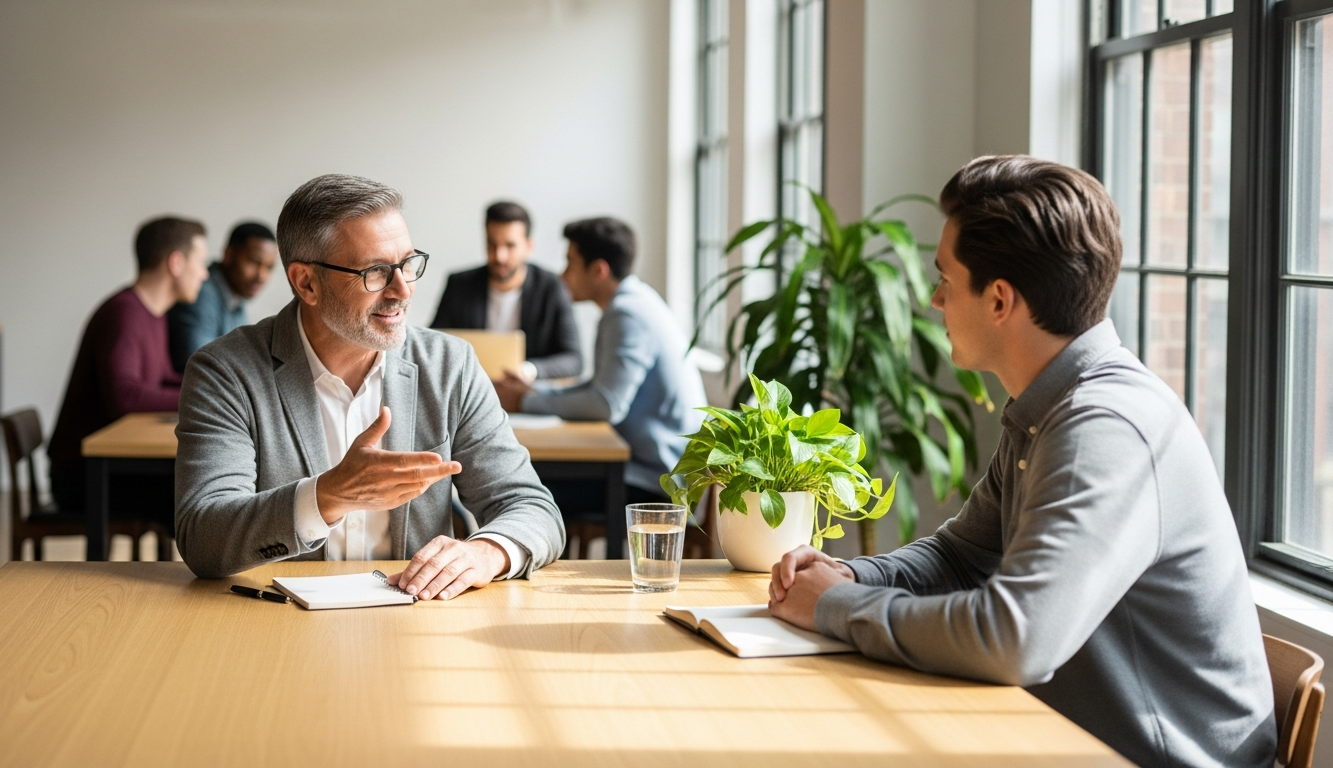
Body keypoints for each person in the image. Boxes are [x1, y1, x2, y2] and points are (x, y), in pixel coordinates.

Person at [766, 156, 1275, 767]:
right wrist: (852, 578)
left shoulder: (1105, 427)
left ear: (1000, 300)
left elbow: (1016, 640)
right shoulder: (1050, 405)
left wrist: (832, 606)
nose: (933, 299)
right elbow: (961, 555)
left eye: (946, 281)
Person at [174, 174, 564, 601]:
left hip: (415, 623)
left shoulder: (450, 366)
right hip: (276, 627)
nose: (402, 290)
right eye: (376, 272)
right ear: (306, 283)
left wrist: (487, 553)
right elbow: (203, 537)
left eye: (408, 263)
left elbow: (532, 508)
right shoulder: (226, 371)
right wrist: (327, 496)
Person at [494, 217, 707, 508]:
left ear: (598, 270)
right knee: (527, 479)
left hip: (657, 479)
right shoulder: (633, 301)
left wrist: (524, 402)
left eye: (570, 263)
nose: (563, 275)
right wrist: (533, 391)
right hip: (650, 466)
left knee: (525, 489)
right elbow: (598, 388)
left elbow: (605, 404)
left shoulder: (627, 314)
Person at [48, 216, 210, 513]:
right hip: (83, 474)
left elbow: (162, 378)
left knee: (204, 486)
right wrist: (201, 399)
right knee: (202, 495)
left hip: (113, 466)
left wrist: (214, 391)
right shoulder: (124, 314)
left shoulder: (152, 313)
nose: (204, 274)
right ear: (175, 263)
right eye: (200, 262)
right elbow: (125, 396)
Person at [430, 201, 581, 381]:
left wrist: (529, 370)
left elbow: (574, 359)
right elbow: (433, 344)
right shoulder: (460, 285)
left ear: (528, 246)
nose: (499, 256)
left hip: (526, 396)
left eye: (510, 246)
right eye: (492, 244)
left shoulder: (552, 287)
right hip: (470, 390)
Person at [167, 221, 279, 371]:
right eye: (253, 262)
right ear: (229, 254)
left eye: (269, 267)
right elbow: (202, 367)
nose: (261, 276)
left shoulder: (236, 296)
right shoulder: (200, 293)